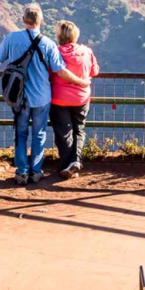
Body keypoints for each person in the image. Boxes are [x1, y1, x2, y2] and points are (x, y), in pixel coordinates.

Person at [0, 4, 88, 184]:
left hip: (19, 97)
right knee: (39, 134)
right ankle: (36, 171)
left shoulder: (11, 38)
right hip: (41, 97)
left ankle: (22, 172)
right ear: (41, 21)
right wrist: (81, 82)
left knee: (20, 133)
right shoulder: (49, 44)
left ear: (23, 20)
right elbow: (61, 71)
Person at [49, 20, 98, 178]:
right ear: (75, 35)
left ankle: (66, 166)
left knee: (63, 133)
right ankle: (75, 161)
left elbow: (49, 73)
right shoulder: (87, 51)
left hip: (59, 99)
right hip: (81, 98)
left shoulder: (55, 52)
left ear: (59, 36)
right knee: (79, 130)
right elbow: (94, 71)